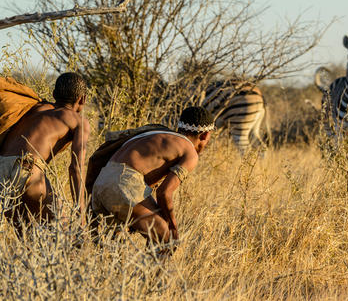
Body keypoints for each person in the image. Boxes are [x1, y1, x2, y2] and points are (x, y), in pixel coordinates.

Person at [91, 106, 214, 246]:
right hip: (123, 183)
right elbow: (164, 193)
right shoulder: (190, 152)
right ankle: (152, 268)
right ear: (205, 135)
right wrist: (173, 227)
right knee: (166, 240)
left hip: (101, 181)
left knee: (112, 248)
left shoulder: (159, 134)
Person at [0, 72, 89, 224]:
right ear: (82, 99)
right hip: (27, 168)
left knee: (27, 236)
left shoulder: (34, 109)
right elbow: (76, 168)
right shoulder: (77, 120)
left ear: (54, 94)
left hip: (2, 168)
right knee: (66, 234)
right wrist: (80, 211)